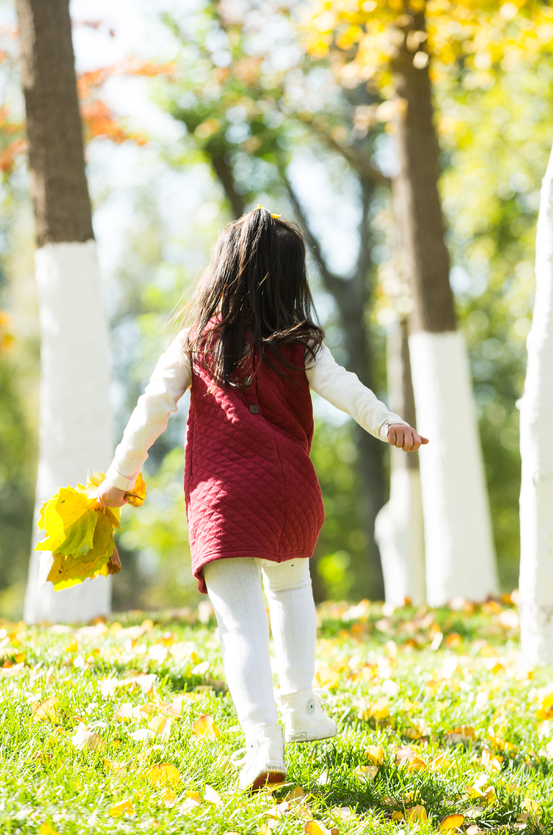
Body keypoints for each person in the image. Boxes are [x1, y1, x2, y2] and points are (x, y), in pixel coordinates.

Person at [97, 206, 428, 790]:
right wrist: (387, 423)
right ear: (292, 276)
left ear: (223, 270)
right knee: (293, 592)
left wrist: (118, 479)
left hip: (225, 496)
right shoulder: (302, 341)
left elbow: (153, 407)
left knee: (240, 625)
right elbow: (344, 388)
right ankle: (302, 709)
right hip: (289, 491)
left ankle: (263, 745)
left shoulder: (199, 338)